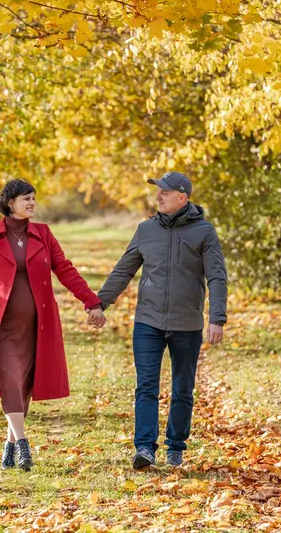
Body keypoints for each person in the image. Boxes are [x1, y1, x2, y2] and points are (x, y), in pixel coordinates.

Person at [0, 179, 106, 471]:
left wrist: (91, 301)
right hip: (1, 326)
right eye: (25, 199)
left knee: (23, 383)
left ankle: (8, 446)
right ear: (9, 203)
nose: (31, 203)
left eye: (33, 198)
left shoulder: (42, 234)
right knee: (10, 379)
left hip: (37, 325)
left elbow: (65, 270)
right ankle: (23, 445)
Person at [93, 171, 227, 469]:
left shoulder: (204, 232)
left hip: (187, 324)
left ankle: (176, 446)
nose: (158, 196)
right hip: (148, 322)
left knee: (182, 388)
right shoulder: (145, 230)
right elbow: (123, 270)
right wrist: (99, 303)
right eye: (158, 191)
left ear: (182, 198)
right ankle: (144, 448)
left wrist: (216, 318)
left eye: (164, 192)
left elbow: (217, 276)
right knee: (146, 385)